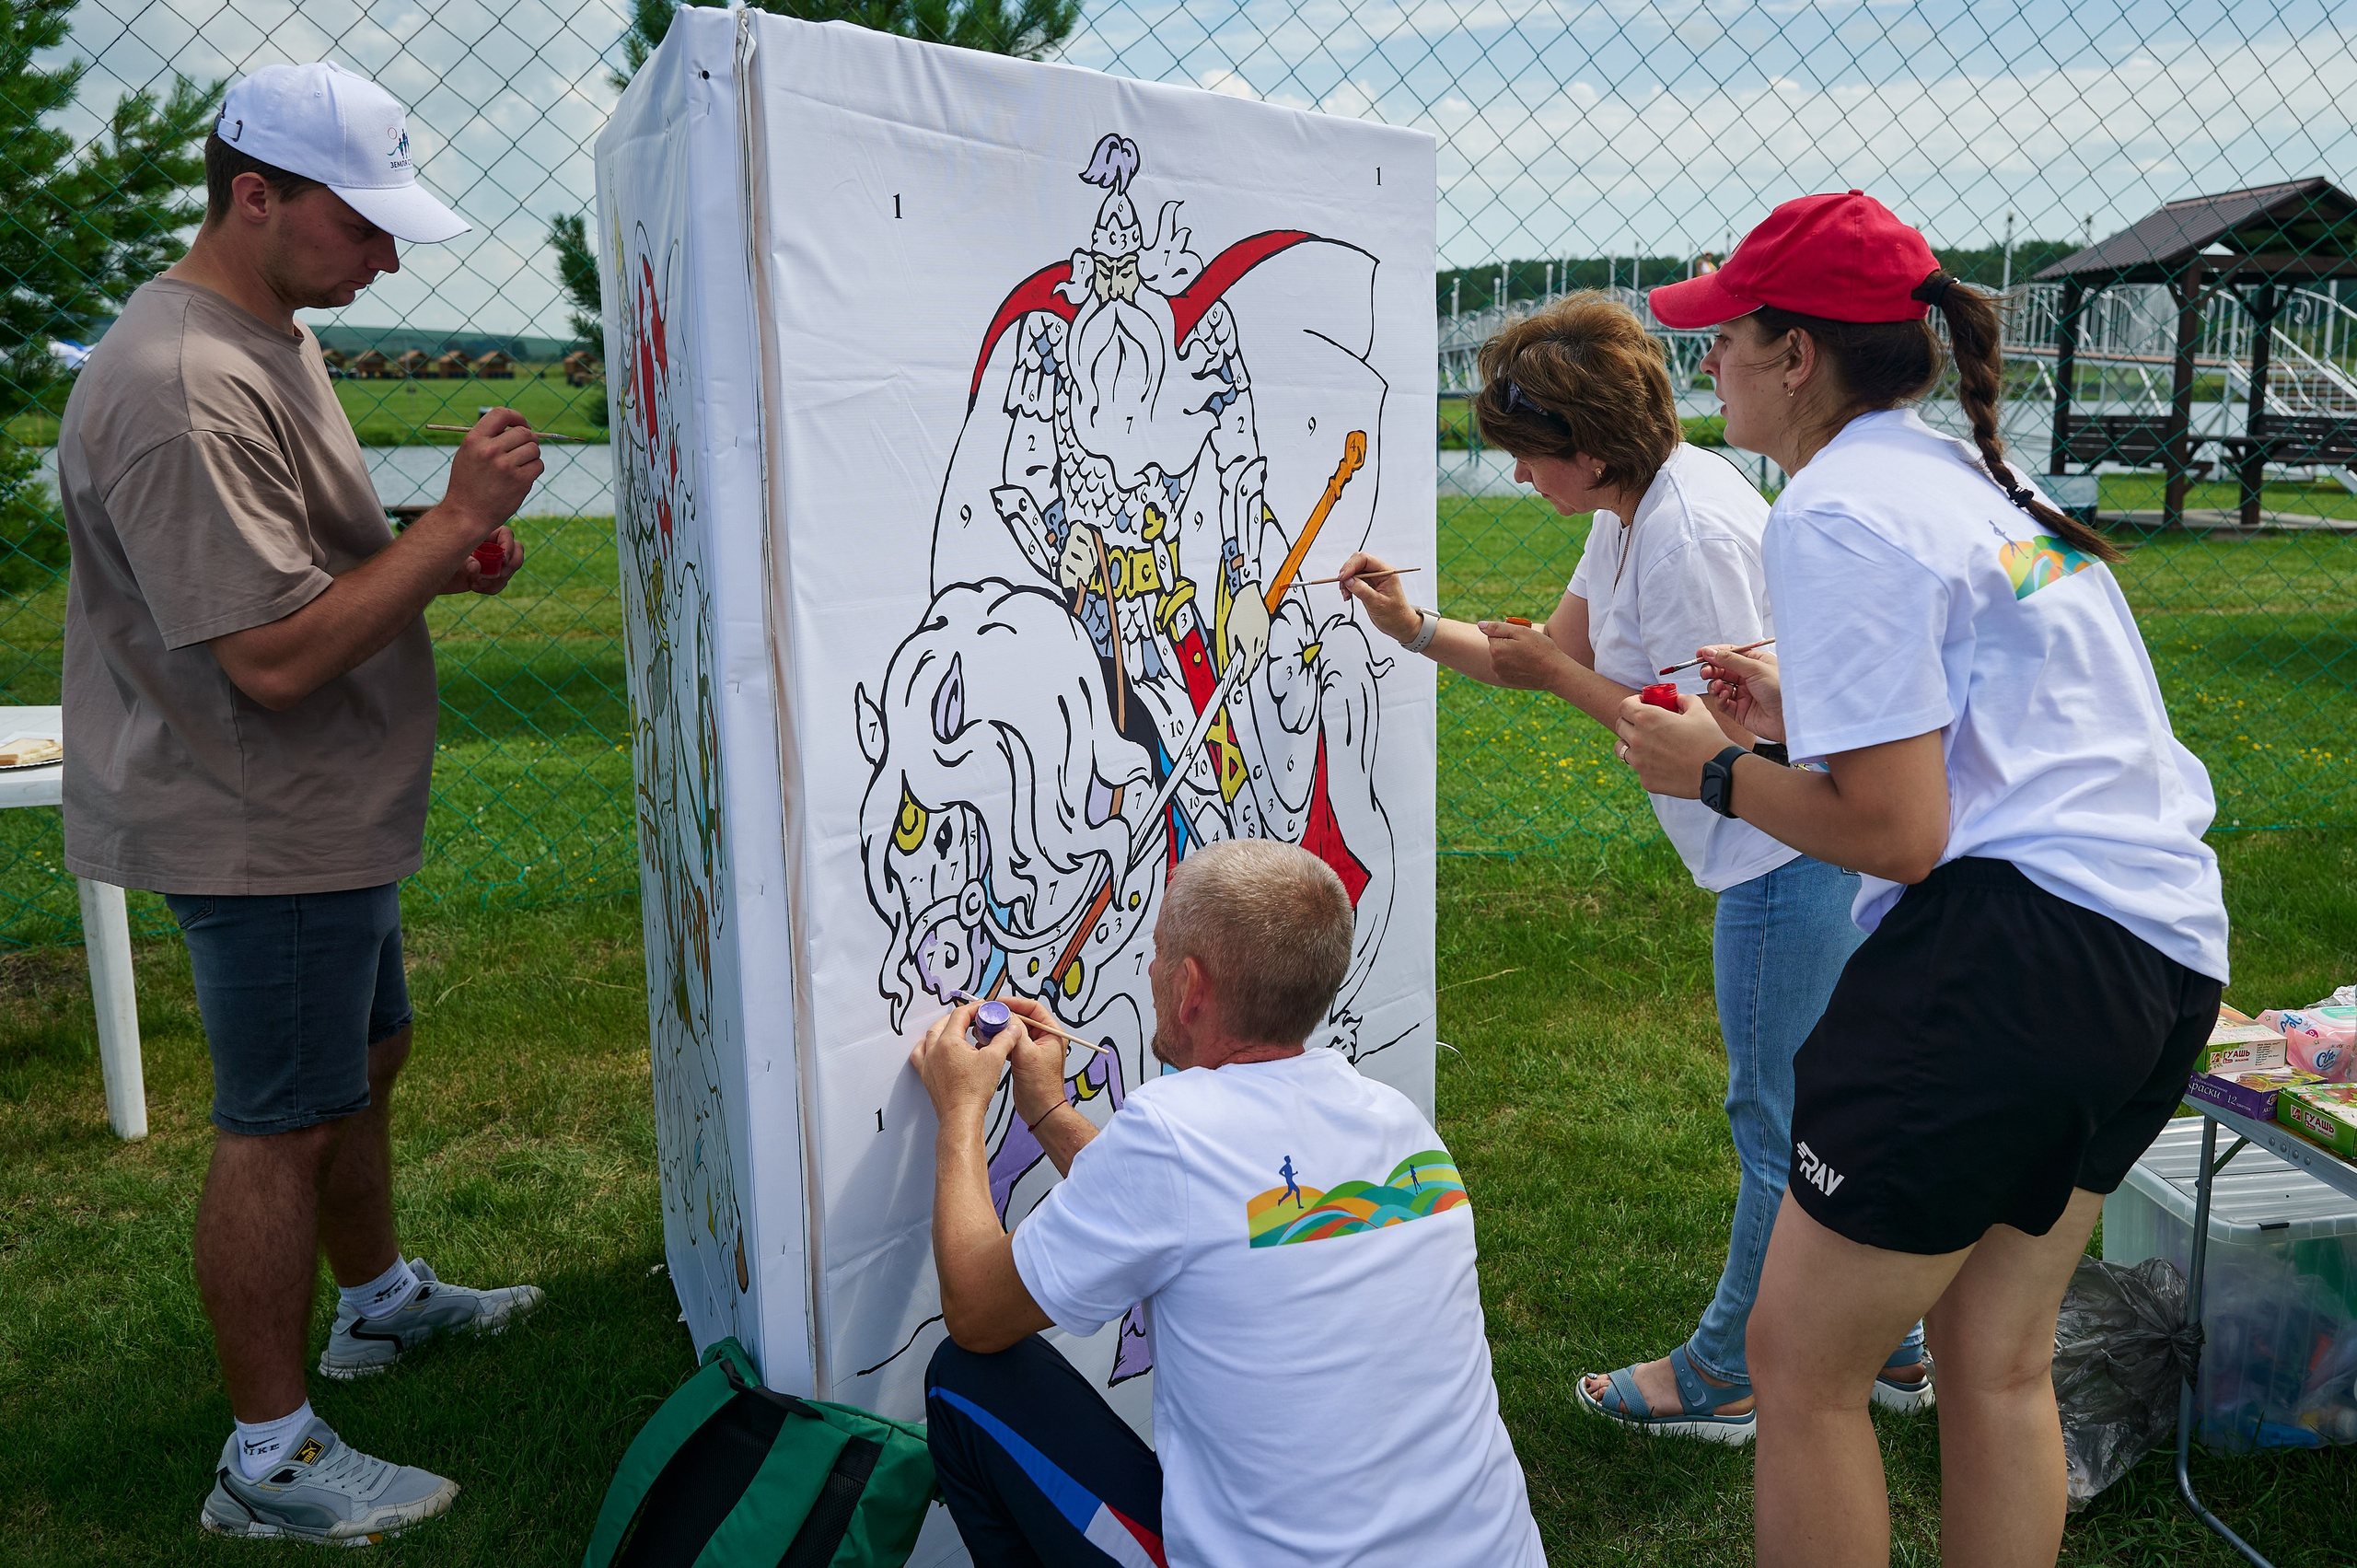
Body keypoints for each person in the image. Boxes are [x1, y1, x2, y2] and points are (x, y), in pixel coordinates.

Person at [1619, 192, 2228, 1566]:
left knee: (1798, 1364)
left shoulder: (1834, 508)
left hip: (2008, 959)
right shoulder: (1965, 476)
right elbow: (2002, 725)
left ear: (1796, 357)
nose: (1705, 363)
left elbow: (1899, 833)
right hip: (2161, 951)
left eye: (1724, 336)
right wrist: (1799, 710)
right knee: (1994, 1358)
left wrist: (1712, 769)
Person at [58, 63, 548, 1545]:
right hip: (256, 819)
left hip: (316, 804)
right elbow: (269, 661)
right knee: (280, 1122)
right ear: (254, 195)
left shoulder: (263, 331)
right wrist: (453, 523)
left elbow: (287, 566)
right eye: (363, 224)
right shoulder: (181, 385)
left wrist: (433, 553)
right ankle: (266, 1459)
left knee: (364, 1057)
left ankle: (376, 1300)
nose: (387, 258)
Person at [1338, 294, 1928, 1444]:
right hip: (1775, 852)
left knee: (1776, 1120)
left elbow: (1715, 744)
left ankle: (1727, 1372)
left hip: (1786, 856)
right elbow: (1542, 653)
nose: (1518, 477)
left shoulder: (1686, 533)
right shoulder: (1634, 508)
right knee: (1821, 1104)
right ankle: (1893, 1341)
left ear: (1591, 447)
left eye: (1527, 455)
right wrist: (1412, 625)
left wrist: (1563, 681)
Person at [910, 840, 1544, 1568]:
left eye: (1157, 950)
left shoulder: (1173, 1132)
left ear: (1190, 987)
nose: (1148, 968)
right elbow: (1193, 1214)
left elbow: (976, 1310)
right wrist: (1049, 1108)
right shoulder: (1400, 1125)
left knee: (965, 1379)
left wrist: (961, 1107)